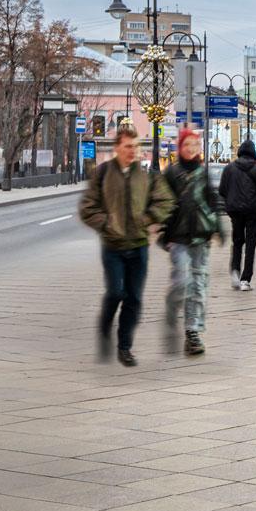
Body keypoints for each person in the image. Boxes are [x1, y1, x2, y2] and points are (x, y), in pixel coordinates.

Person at [77, 127, 174, 367]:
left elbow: (166, 200)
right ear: (117, 148)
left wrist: (149, 218)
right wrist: (106, 223)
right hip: (113, 245)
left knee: (134, 298)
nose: (133, 151)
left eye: (136, 147)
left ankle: (124, 347)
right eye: (128, 146)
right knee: (115, 293)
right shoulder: (103, 173)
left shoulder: (147, 176)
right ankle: (105, 325)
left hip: (139, 245)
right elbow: (87, 207)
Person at [161, 128, 224, 356]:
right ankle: (173, 305)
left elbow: (212, 201)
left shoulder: (202, 173)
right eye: (187, 144)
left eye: (195, 145)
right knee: (183, 282)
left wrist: (218, 228)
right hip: (178, 237)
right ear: (180, 147)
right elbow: (161, 204)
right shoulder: (171, 173)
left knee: (198, 285)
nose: (191, 149)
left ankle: (193, 333)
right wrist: (163, 233)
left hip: (200, 237)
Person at [219, 140, 256, 290]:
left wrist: (233, 197)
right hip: (253, 211)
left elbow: (222, 190)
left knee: (237, 241)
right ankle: (245, 279)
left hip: (235, 211)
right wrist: (255, 196)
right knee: (251, 245)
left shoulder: (229, 168)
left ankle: (235, 272)